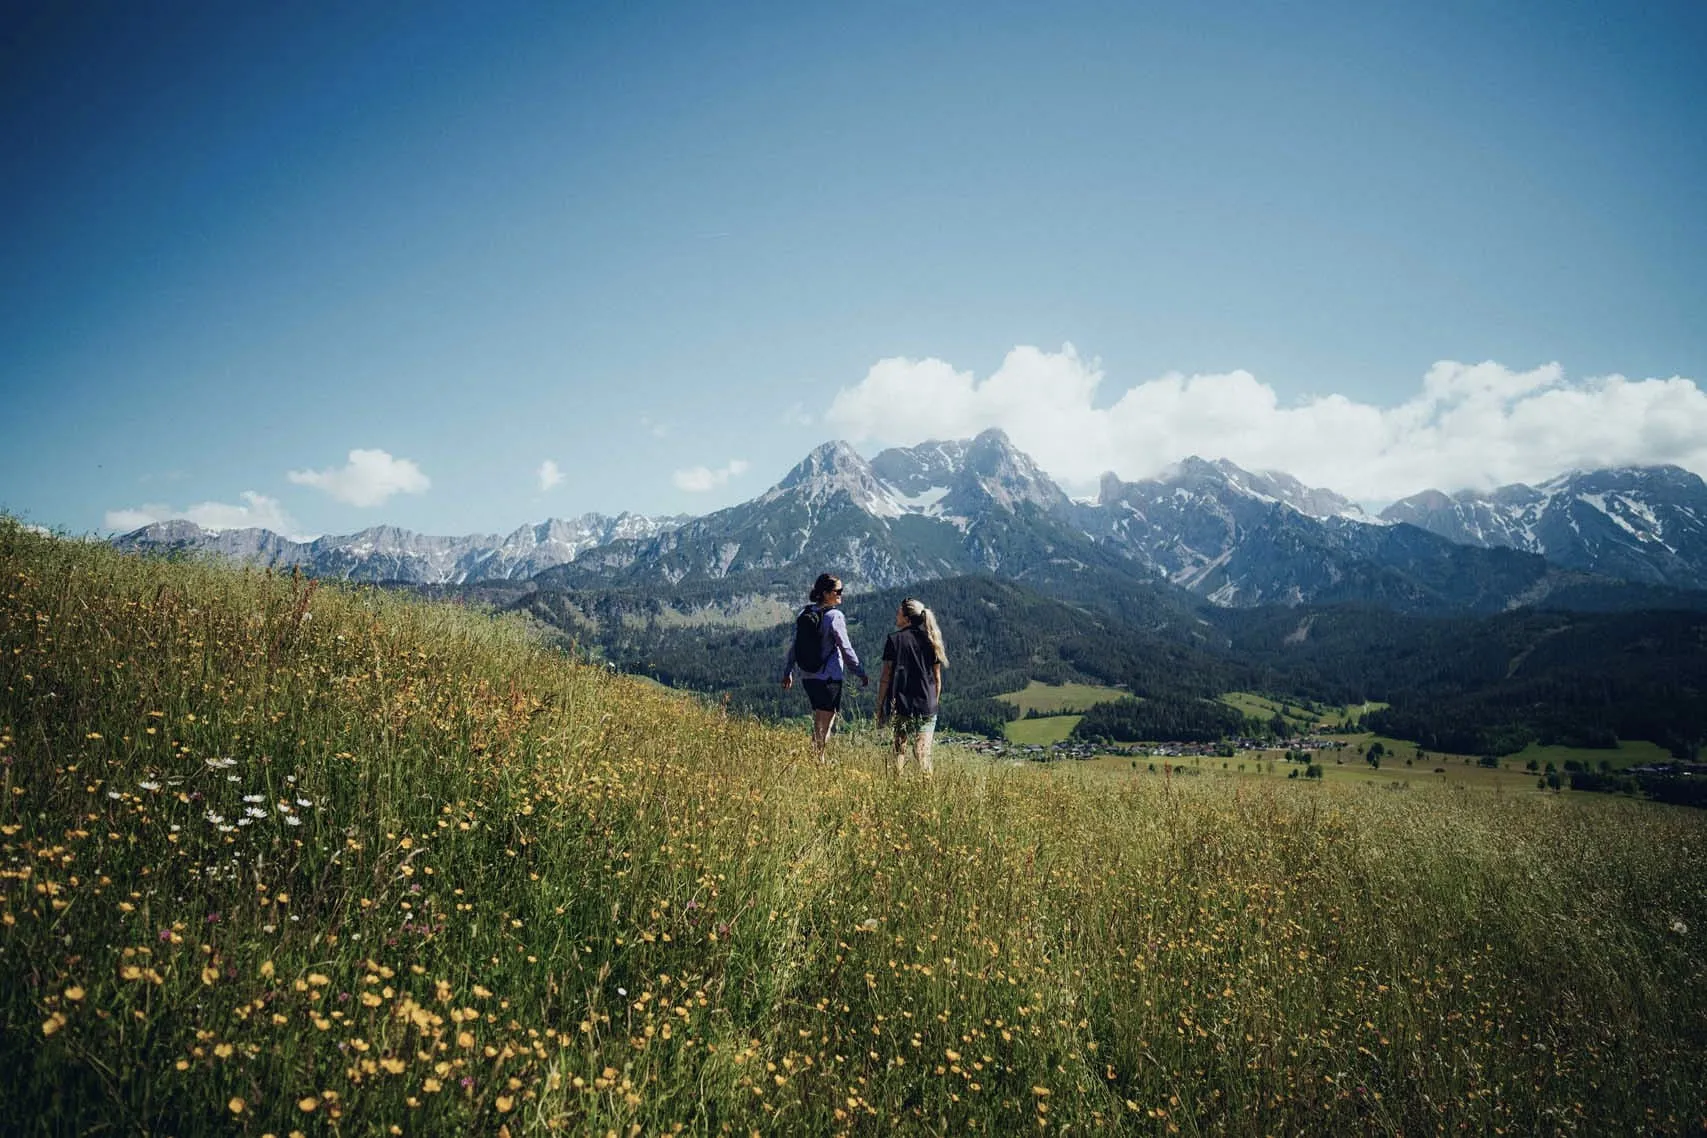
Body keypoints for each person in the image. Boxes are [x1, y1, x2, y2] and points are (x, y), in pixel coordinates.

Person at [780, 573, 868, 760]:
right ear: (826, 593)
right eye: (838, 591)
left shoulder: (805, 613)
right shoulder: (834, 616)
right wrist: (859, 672)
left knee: (818, 721)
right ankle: (817, 761)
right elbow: (845, 647)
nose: (841, 594)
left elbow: (795, 645)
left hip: (808, 677)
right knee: (825, 723)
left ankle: (815, 759)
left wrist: (788, 671)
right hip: (829, 678)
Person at [875, 597, 947, 775]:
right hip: (927, 704)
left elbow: (886, 677)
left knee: (899, 750)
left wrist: (880, 706)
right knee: (923, 754)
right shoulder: (932, 640)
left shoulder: (894, 640)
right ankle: (928, 792)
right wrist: (933, 703)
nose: (896, 615)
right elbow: (937, 678)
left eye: (899, 613)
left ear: (906, 618)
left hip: (901, 703)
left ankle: (896, 787)